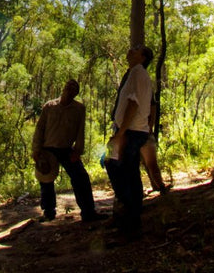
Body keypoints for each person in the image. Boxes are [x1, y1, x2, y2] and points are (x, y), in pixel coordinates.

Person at [32, 79, 103, 222]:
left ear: (76, 93)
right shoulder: (49, 106)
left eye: (74, 89)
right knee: (46, 180)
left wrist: (78, 151)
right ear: (63, 88)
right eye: (68, 87)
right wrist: (36, 149)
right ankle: (48, 212)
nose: (70, 90)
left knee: (81, 177)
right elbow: (40, 129)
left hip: (67, 150)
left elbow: (80, 131)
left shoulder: (79, 109)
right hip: (48, 149)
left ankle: (88, 212)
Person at [105, 44, 154, 236]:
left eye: (136, 49)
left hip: (131, 131)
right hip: (128, 130)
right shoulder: (135, 72)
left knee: (120, 167)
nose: (130, 50)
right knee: (125, 168)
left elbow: (133, 104)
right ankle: (129, 215)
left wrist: (120, 133)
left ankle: (131, 218)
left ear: (142, 57)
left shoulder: (138, 73)